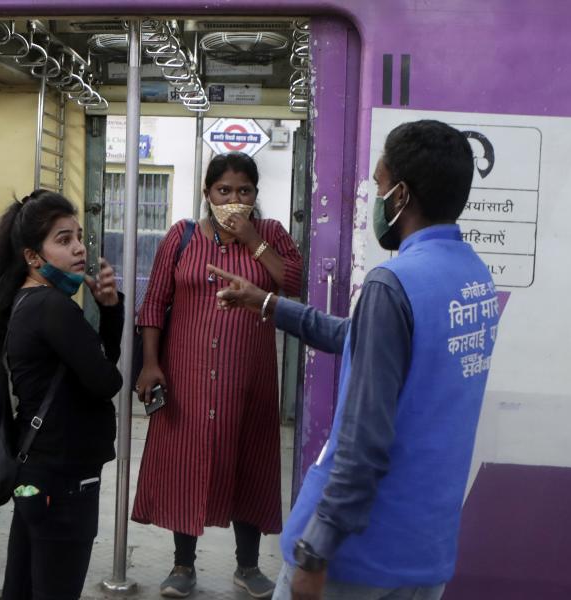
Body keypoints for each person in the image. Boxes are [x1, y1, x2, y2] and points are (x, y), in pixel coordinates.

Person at [209, 120, 500, 600]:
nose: (377, 198)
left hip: (357, 554)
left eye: (380, 186)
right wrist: (267, 303)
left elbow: (363, 440)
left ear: (401, 196)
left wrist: (317, 548)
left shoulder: (394, 284)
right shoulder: (472, 278)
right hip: (424, 550)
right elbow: (365, 340)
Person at [132, 152, 304, 598]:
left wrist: (251, 238)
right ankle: (182, 566)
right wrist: (151, 364)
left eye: (243, 191)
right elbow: (153, 303)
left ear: (255, 195)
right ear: (207, 193)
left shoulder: (270, 234)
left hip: (250, 378)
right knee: (187, 466)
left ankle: (248, 567)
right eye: (223, 191)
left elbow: (294, 283)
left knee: (249, 464)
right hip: (187, 376)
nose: (233, 199)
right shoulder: (182, 237)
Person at [0, 190, 123, 600]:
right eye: (63, 239)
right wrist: (109, 313)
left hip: (36, 475)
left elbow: (93, 369)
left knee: (22, 587)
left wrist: (107, 310)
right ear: (33, 256)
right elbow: (107, 380)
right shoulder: (52, 308)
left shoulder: (23, 301)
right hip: (65, 478)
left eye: (79, 237)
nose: (78, 249)